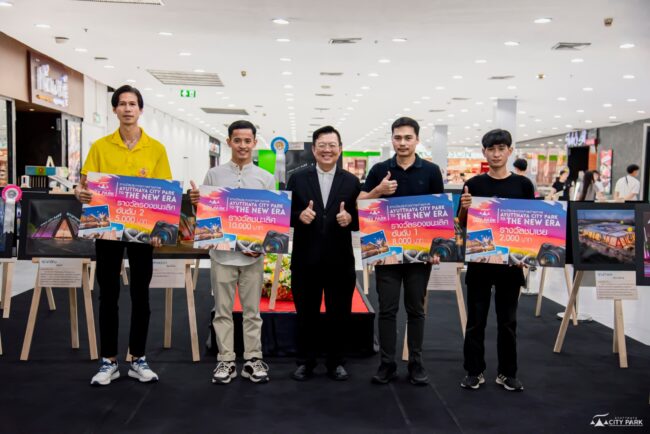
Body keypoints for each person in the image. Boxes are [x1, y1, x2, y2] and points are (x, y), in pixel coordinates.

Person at [77, 85, 171, 386]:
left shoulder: (156, 149)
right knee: (108, 294)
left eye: (133, 104)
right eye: (122, 104)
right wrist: (81, 193)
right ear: (114, 109)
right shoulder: (100, 146)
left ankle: (138, 358)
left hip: (143, 231)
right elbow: (85, 186)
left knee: (141, 295)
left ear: (140, 110)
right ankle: (108, 361)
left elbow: (163, 193)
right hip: (107, 229)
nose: (128, 108)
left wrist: (159, 228)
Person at [360, 117, 444, 385]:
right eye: (398, 137)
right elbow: (360, 203)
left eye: (408, 138)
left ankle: (416, 363)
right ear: (392, 139)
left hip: (420, 255)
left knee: (416, 310)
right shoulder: (379, 170)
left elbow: (439, 212)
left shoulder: (431, 171)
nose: (403, 143)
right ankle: (387, 364)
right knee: (387, 310)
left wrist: (437, 248)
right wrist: (378, 190)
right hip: (386, 253)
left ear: (417, 140)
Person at [190, 120, 274, 385]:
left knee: (252, 312)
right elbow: (206, 215)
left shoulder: (266, 178)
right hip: (222, 257)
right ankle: (226, 360)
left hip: (253, 258)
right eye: (237, 140)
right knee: (222, 311)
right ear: (228, 142)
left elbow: (272, 219)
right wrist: (196, 203)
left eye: (247, 141)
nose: (242, 145)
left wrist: (260, 247)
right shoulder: (214, 175)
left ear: (254, 143)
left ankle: (252, 359)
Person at [457, 129, 534, 392]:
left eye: (501, 148)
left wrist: (526, 254)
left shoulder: (523, 185)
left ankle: (507, 373)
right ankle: (473, 371)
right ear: (484, 152)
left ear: (510, 151)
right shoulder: (473, 184)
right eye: (491, 149)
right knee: (475, 321)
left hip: (510, 265)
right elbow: (462, 224)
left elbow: (530, 223)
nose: (497, 154)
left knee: (508, 322)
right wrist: (465, 207)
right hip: (480, 262)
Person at [287, 125, 361, 381]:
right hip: (305, 260)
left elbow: (361, 219)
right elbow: (283, 214)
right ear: (314, 149)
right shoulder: (297, 178)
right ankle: (305, 362)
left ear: (340, 149)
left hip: (340, 261)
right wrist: (299, 215)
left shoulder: (351, 181)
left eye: (332, 145)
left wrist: (350, 218)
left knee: (339, 314)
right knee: (305, 314)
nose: (327, 150)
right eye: (322, 145)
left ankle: (336, 362)